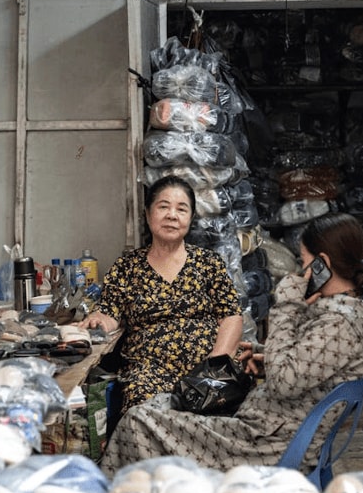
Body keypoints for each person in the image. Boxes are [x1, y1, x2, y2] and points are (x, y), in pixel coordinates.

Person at [100, 212, 363, 476]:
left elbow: (286, 382)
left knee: (139, 421)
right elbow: (310, 363)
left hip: (264, 444)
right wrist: (264, 355)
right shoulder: (351, 313)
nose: (301, 270)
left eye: (304, 261)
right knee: (156, 404)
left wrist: (286, 305)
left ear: (322, 264)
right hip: (267, 426)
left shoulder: (339, 324)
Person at [81, 175, 243, 411]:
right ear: (148, 214)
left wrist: (214, 365)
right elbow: (110, 313)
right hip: (149, 369)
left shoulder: (208, 263)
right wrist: (98, 320)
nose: (172, 215)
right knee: (144, 407)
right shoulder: (127, 266)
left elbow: (231, 316)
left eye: (181, 209)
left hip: (206, 364)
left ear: (190, 218)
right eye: (163, 207)